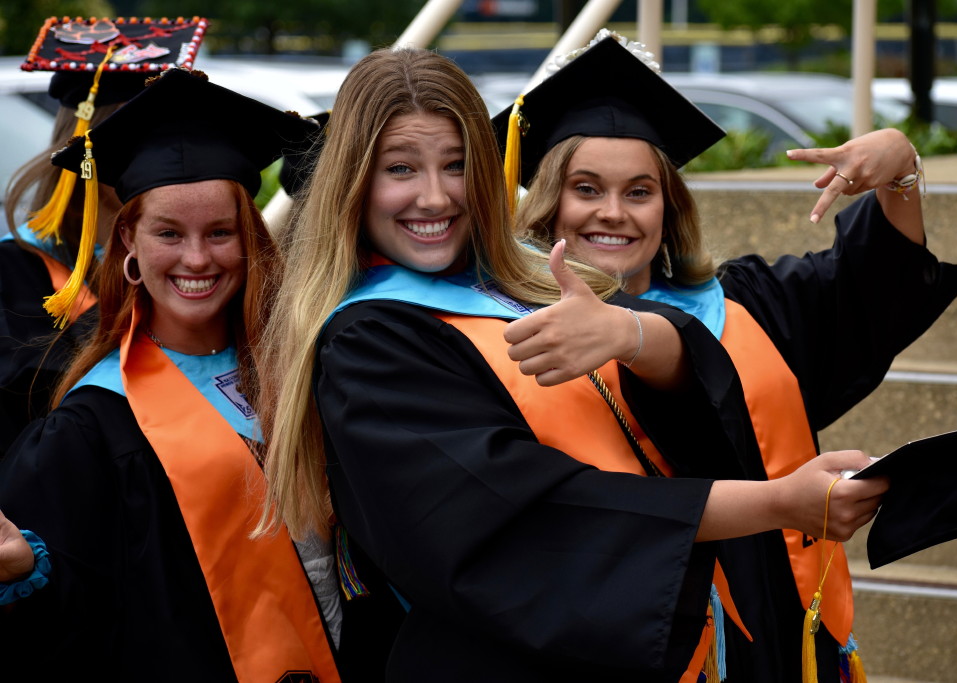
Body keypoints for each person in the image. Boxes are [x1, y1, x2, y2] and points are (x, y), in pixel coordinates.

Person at [256, 46, 887, 682]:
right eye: (400, 169)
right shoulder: (368, 341)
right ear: (355, 183)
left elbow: (678, 422)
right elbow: (536, 513)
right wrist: (779, 503)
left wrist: (634, 334)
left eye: (457, 165)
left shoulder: (516, 292)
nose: (435, 196)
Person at [501, 32, 957, 682]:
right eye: (586, 188)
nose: (613, 212)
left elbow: (872, 289)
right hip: (631, 651)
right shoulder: (504, 336)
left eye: (640, 191)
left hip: (782, 638)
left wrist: (899, 169)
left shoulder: (741, 306)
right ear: (549, 202)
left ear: (668, 208)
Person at [0, 67, 355, 682]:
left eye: (221, 232)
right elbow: (70, 624)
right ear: (128, 242)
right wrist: (24, 572)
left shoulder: (308, 373)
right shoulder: (95, 425)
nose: (197, 259)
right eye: (169, 233)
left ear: (251, 241)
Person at [0, 16, 207, 455]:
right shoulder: (18, 273)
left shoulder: (197, 261)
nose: (162, 162)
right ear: (85, 151)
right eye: (139, 141)